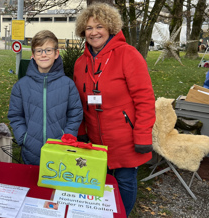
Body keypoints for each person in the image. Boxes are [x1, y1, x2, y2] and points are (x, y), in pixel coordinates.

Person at [73, 3, 155, 216]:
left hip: (125, 136)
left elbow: (145, 100)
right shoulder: (80, 63)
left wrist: (143, 135)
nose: (94, 32)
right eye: (89, 28)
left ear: (110, 27)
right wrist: (81, 132)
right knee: (101, 181)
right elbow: (79, 103)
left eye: (99, 26)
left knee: (125, 180)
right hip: (94, 136)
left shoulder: (128, 55)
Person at [8, 30, 83, 165]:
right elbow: (15, 115)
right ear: (33, 56)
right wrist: (24, 138)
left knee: (55, 185)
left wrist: (67, 138)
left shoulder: (68, 85)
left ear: (56, 54)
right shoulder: (21, 86)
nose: (43, 55)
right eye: (39, 51)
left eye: (48, 50)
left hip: (59, 151)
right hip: (30, 152)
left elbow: (75, 114)